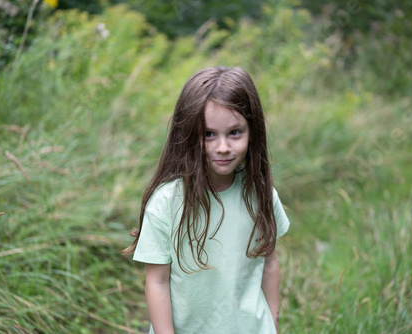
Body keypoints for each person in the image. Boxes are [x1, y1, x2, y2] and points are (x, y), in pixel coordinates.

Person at [123, 66, 290, 334]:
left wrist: (272, 322)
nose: (222, 147)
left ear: (253, 132)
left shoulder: (261, 194)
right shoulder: (166, 203)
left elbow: (270, 263)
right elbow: (156, 282)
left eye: (235, 132)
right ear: (188, 135)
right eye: (209, 134)